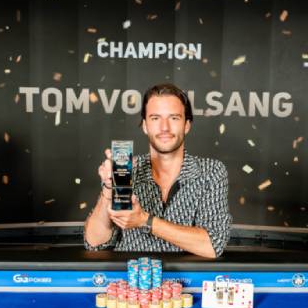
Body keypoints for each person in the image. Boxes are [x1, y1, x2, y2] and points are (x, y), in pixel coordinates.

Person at [83, 83, 231, 258]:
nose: (164, 128)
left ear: (187, 125)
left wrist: (145, 220)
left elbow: (213, 245)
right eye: (155, 118)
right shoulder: (126, 169)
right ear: (145, 126)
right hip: (133, 274)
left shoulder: (211, 172)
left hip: (186, 276)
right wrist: (108, 189)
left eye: (174, 118)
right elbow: (95, 244)